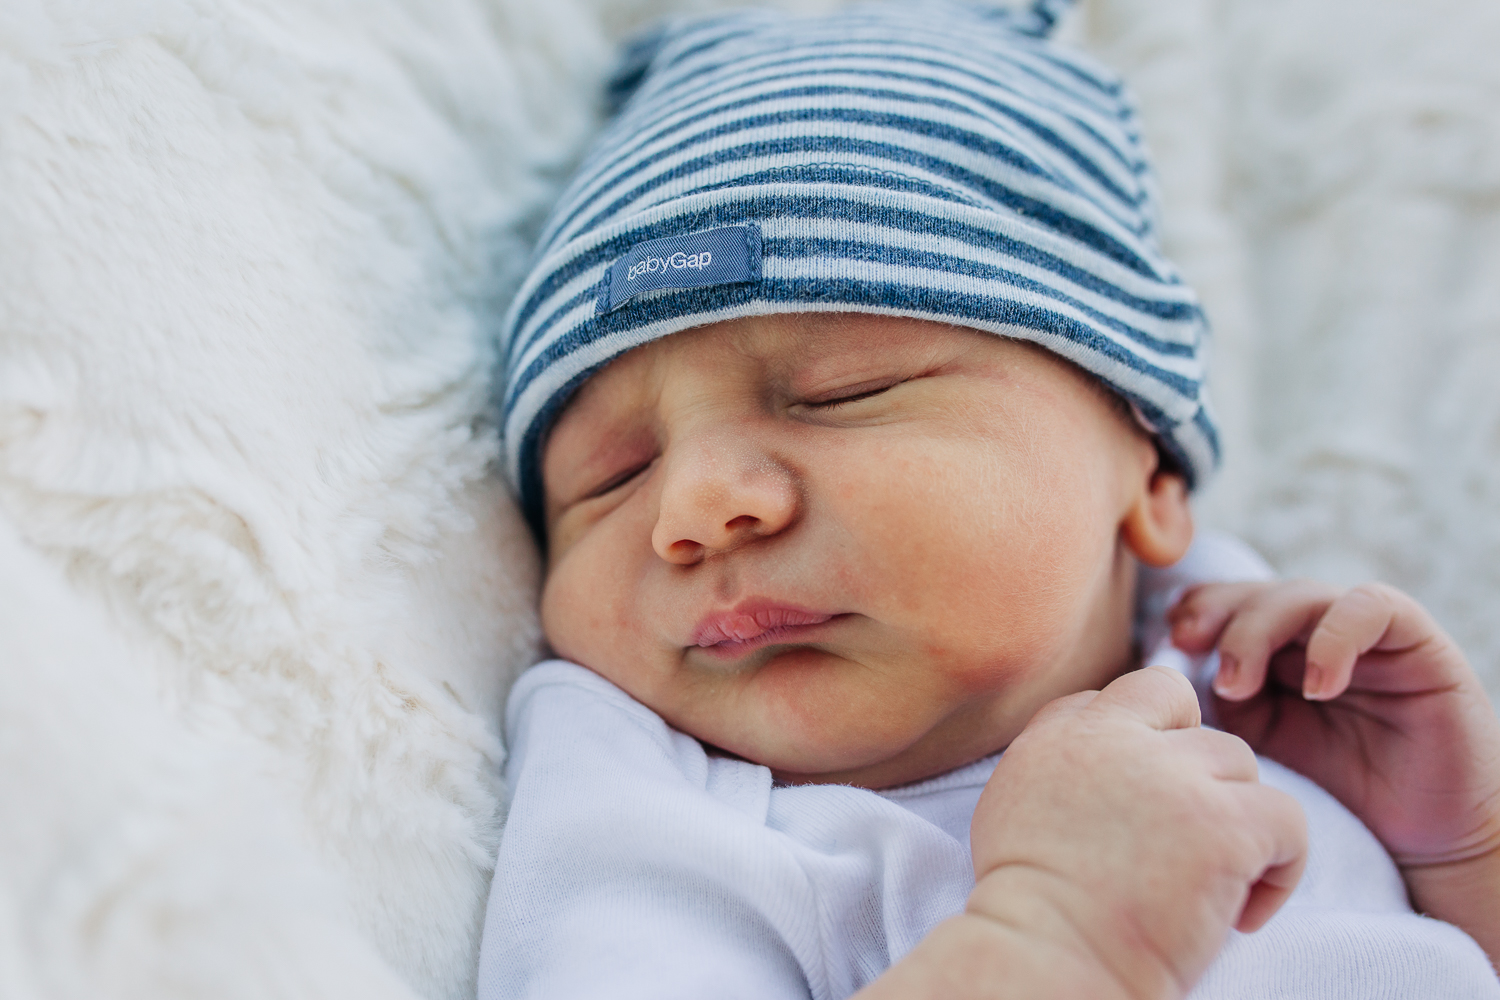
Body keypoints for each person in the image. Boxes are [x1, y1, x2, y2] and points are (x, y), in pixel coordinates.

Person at [476, 2, 1500, 996]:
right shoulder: (649, 807)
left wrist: (1459, 852)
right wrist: (1063, 932)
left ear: (1146, 480)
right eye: (606, 478)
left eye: (847, 394)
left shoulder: (1263, 675)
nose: (691, 506)